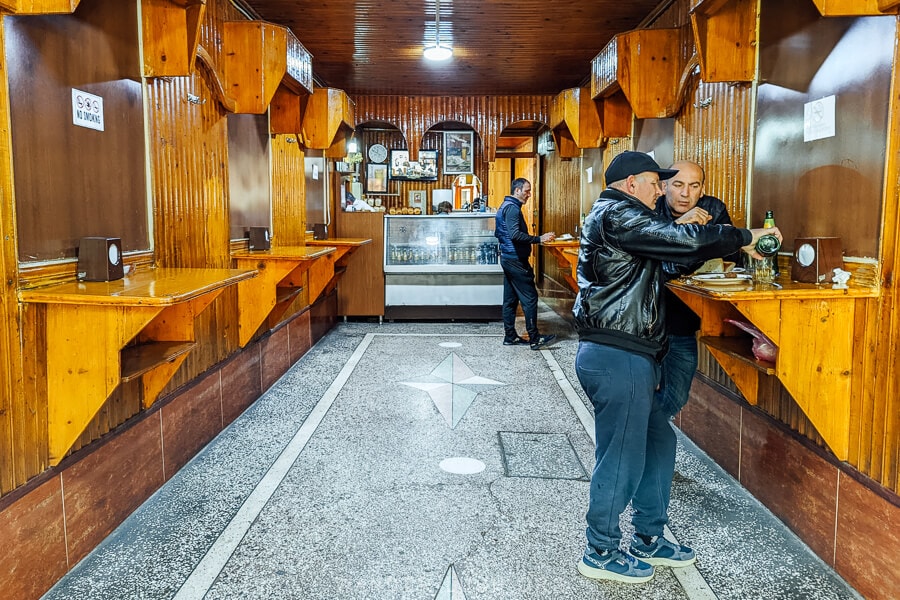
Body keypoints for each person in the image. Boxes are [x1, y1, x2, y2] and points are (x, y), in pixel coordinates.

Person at [572, 151, 780, 584]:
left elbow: (673, 247)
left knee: (658, 440)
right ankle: (600, 550)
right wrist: (743, 236)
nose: (661, 190)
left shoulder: (626, 215)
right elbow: (682, 242)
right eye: (655, 181)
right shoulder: (617, 214)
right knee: (623, 454)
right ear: (632, 183)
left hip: (633, 351)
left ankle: (649, 535)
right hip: (617, 353)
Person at [654, 160, 738, 417]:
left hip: (684, 322)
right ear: (664, 186)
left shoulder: (713, 208)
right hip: (645, 323)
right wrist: (682, 229)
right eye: (678, 184)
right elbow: (652, 258)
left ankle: (646, 434)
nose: (685, 193)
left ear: (702, 190)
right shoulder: (649, 208)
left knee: (676, 397)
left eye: (693, 186)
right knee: (636, 394)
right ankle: (641, 442)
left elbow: (730, 253)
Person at [494, 178, 557, 350]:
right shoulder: (513, 208)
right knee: (530, 298)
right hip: (515, 259)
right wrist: (539, 239)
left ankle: (510, 336)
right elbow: (515, 234)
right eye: (527, 191)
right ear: (517, 191)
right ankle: (535, 338)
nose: (529, 194)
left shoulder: (504, 206)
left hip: (507, 257)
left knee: (510, 299)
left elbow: (498, 233)